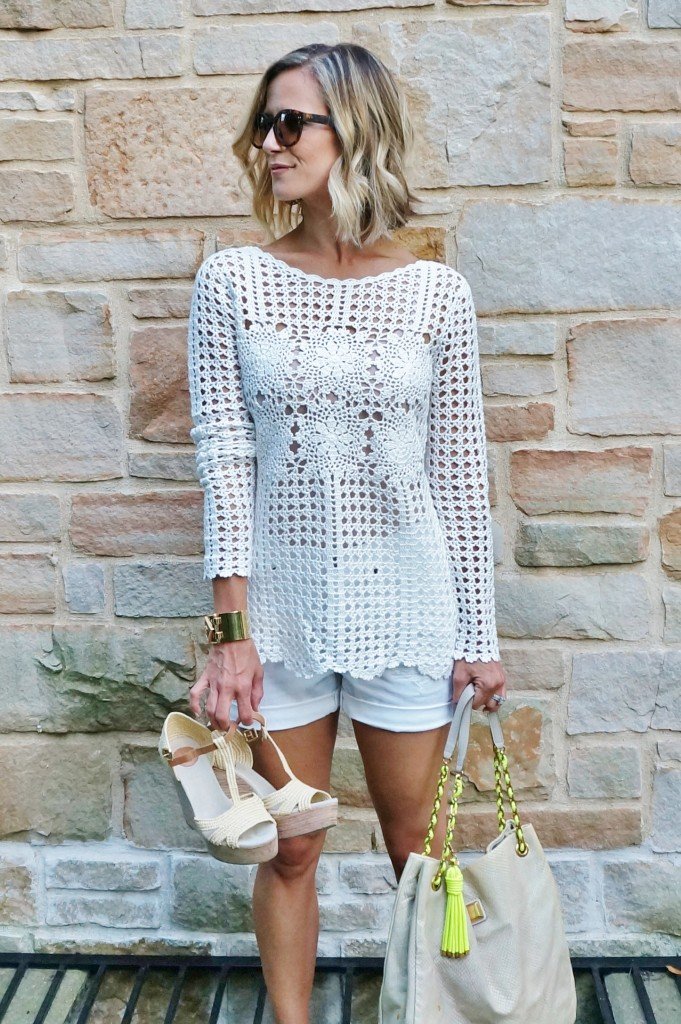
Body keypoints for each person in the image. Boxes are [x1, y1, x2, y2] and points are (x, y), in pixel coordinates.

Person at [186, 41, 507, 1024]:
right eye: (264, 123)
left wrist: (479, 636)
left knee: (420, 853)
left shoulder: (435, 293)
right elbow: (224, 460)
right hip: (280, 621)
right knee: (290, 847)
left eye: (291, 122)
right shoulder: (233, 282)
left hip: (409, 611)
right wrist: (231, 635)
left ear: (355, 132)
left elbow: (459, 475)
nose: (269, 142)